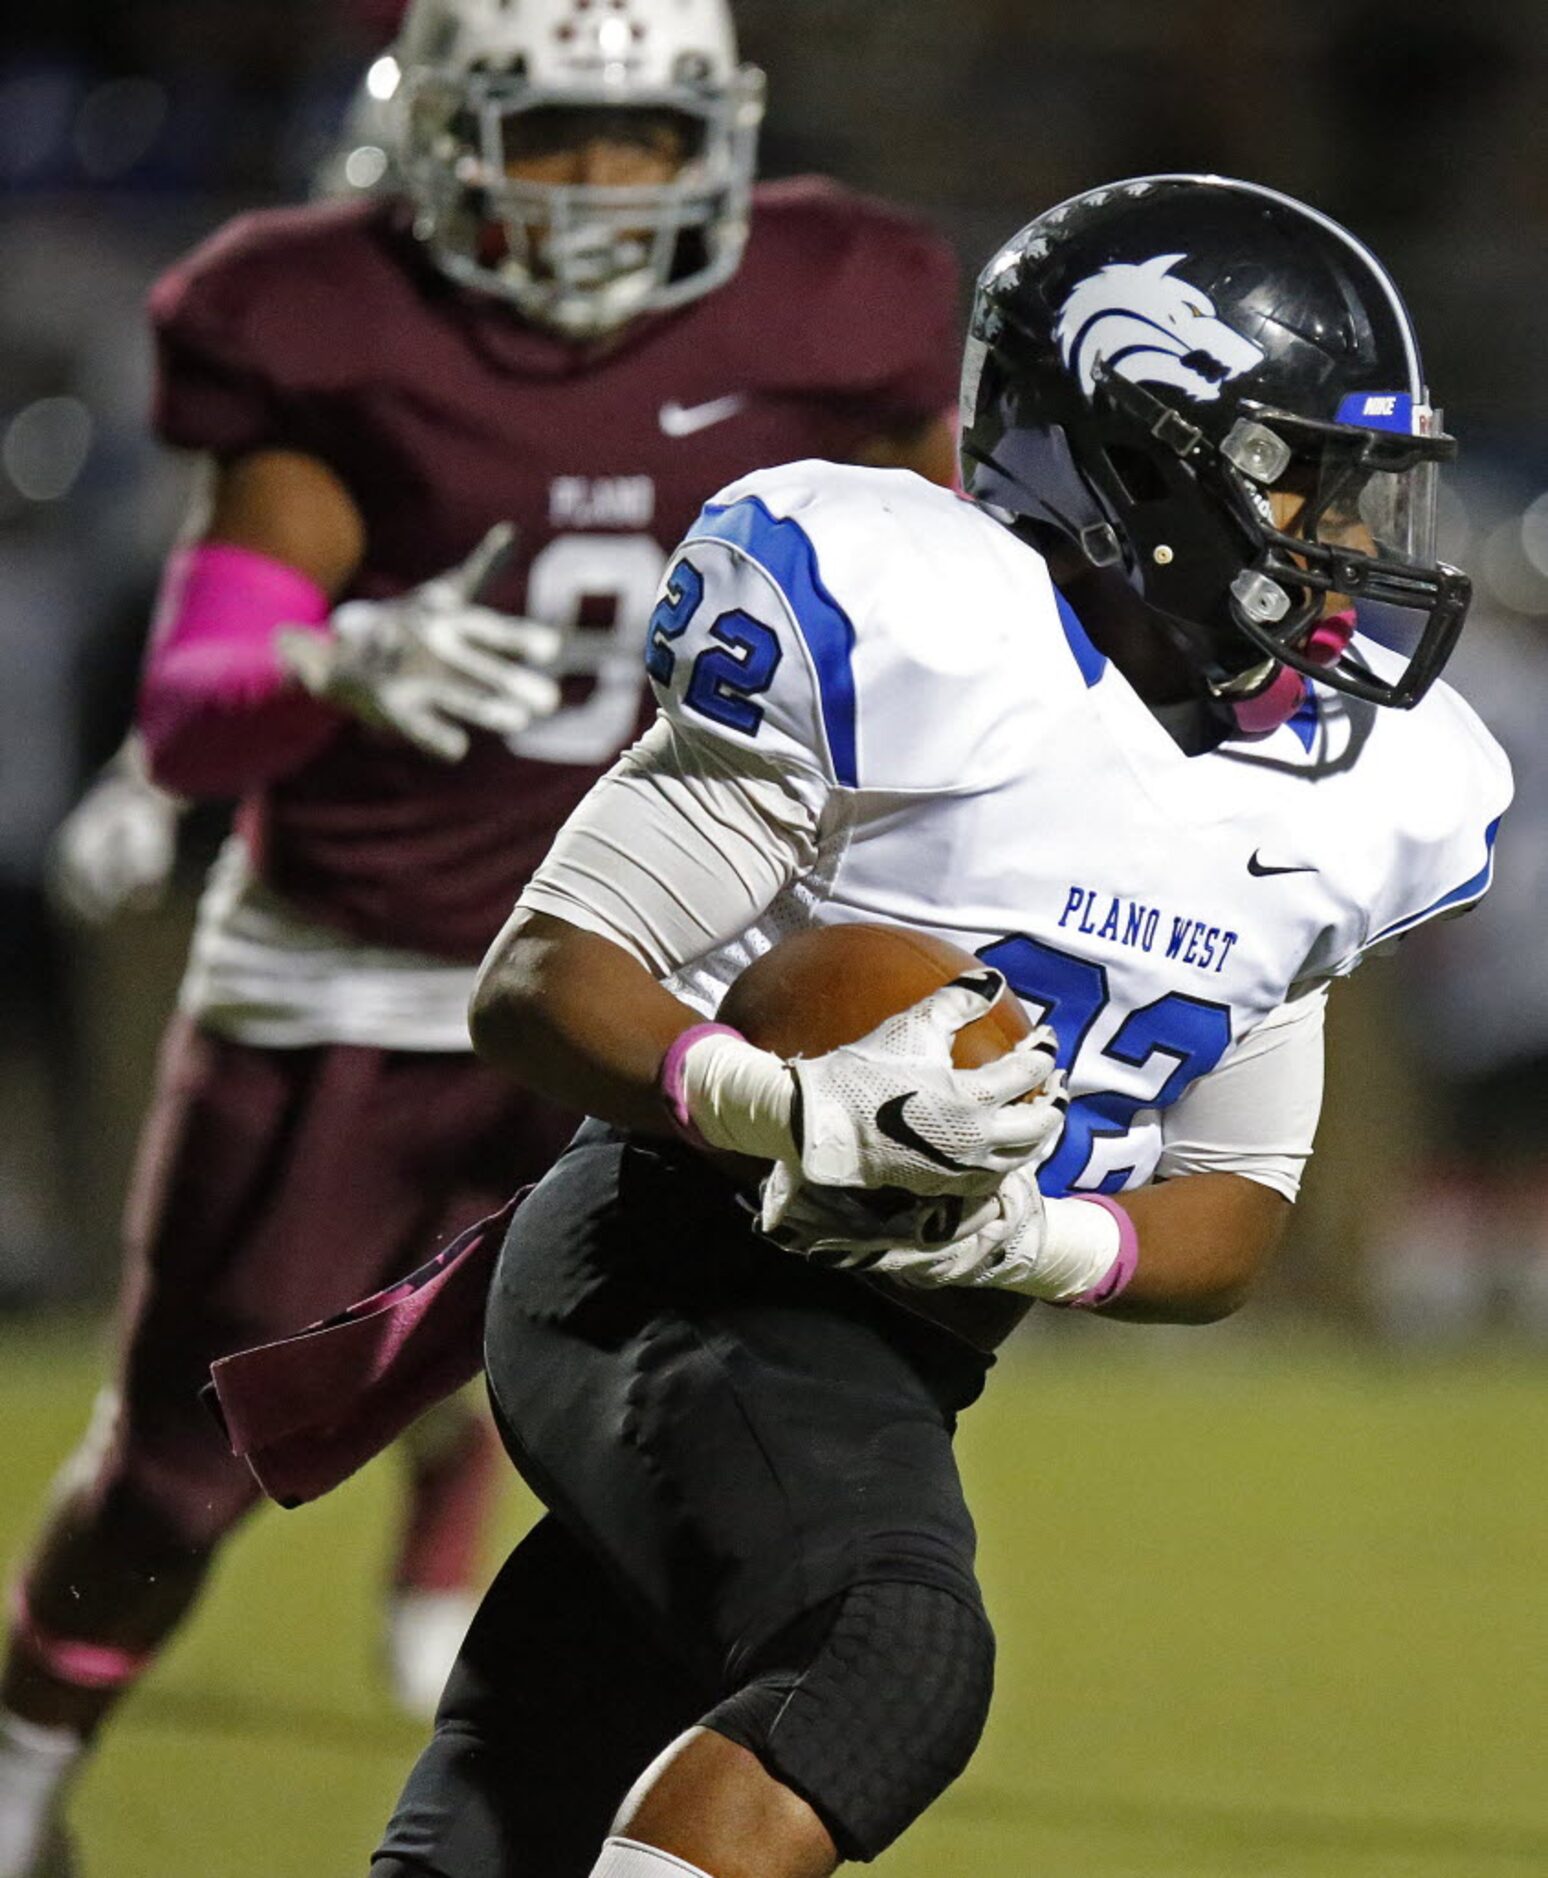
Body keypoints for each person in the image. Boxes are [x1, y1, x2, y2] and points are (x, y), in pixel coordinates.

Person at [355, 175, 1510, 1878]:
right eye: (1302, 478)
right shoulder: (917, 616)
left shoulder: (1342, 790)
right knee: (887, 1652)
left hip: (892, 1346)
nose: (1346, 545)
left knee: (517, 1808)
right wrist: (782, 1103)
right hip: (672, 1261)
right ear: (1136, 453)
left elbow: (1237, 1206)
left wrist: (1028, 1233)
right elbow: (546, 979)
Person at [0, 0, 961, 1868]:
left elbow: (971, 610)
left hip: (649, 980)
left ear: (726, 137)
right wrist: (322, 654)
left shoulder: (843, 306)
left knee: (650, 1421)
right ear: (437, 136)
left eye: (643, 140)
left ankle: (550, 1780)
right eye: (551, 137)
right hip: (358, 967)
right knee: (184, 1466)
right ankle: (25, 1761)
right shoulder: (323, 318)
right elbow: (204, 698)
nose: (602, 190)